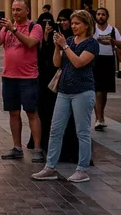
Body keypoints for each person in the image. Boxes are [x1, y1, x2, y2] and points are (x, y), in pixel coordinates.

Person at [32, 11, 100, 183]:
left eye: (77, 23)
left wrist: (66, 47)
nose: (74, 26)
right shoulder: (69, 41)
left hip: (83, 92)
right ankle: (50, 167)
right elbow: (57, 64)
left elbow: (78, 63)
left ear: (86, 25)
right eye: (73, 23)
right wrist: (57, 47)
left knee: (82, 132)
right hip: (63, 91)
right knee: (55, 130)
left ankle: (82, 169)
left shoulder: (91, 43)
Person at [0, 0, 45, 162]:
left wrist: (13, 30)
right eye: (13, 9)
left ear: (27, 11)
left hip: (28, 77)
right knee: (13, 113)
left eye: (19, 10)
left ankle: (37, 148)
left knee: (32, 113)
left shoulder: (34, 27)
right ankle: (17, 147)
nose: (15, 13)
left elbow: (30, 43)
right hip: (9, 77)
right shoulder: (6, 28)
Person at [29, 9, 84, 163]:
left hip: (78, 86)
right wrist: (51, 42)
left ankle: (79, 160)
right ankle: (52, 157)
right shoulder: (61, 38)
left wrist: (64, 46)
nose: (67, 24)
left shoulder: (84, 41)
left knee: (79, 126)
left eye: (73, 22)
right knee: (55, 122)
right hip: (57, 83)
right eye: (65, 21)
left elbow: (79, 62)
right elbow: (54, 61)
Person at [92, 7, 120, 130]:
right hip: (95, 60)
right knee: (97, 91)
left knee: (104, 93)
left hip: (108, 61)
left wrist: (112, 41)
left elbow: (120, 43)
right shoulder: (93, 30)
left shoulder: (113, 30)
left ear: (106, 16)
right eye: (98, 14)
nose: (100, 16)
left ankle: (100, 115)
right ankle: (99, 119)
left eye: (103, 14)